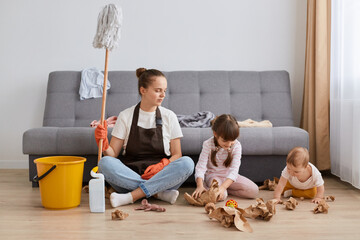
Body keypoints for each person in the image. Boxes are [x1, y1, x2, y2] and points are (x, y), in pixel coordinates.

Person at [95, 68, 194, 207]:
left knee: (187, 163)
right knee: (104, 163)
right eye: (158, 90)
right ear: (143, 90)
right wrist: (103, 142)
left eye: (164, 91)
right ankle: (158, 193)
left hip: (162, 176)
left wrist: (162, 165)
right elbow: (112, 154)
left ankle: (132, 196)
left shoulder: (169, 116)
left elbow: (177, 154)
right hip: (130, 175)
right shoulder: (126, 116)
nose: (163, 95)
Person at [191, 114, 259, 201]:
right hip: (213, 176)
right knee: (221, 196)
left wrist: (223, 187)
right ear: (215, 134)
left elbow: (234, 170)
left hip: (229, 177)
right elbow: (201, 167)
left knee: (254, 191)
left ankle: (223, 190)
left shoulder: (237, 145)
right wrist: (199, 186)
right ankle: (208, 187)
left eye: (232, 140)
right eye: (225, 140)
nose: (229, 144)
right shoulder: (208, 144)